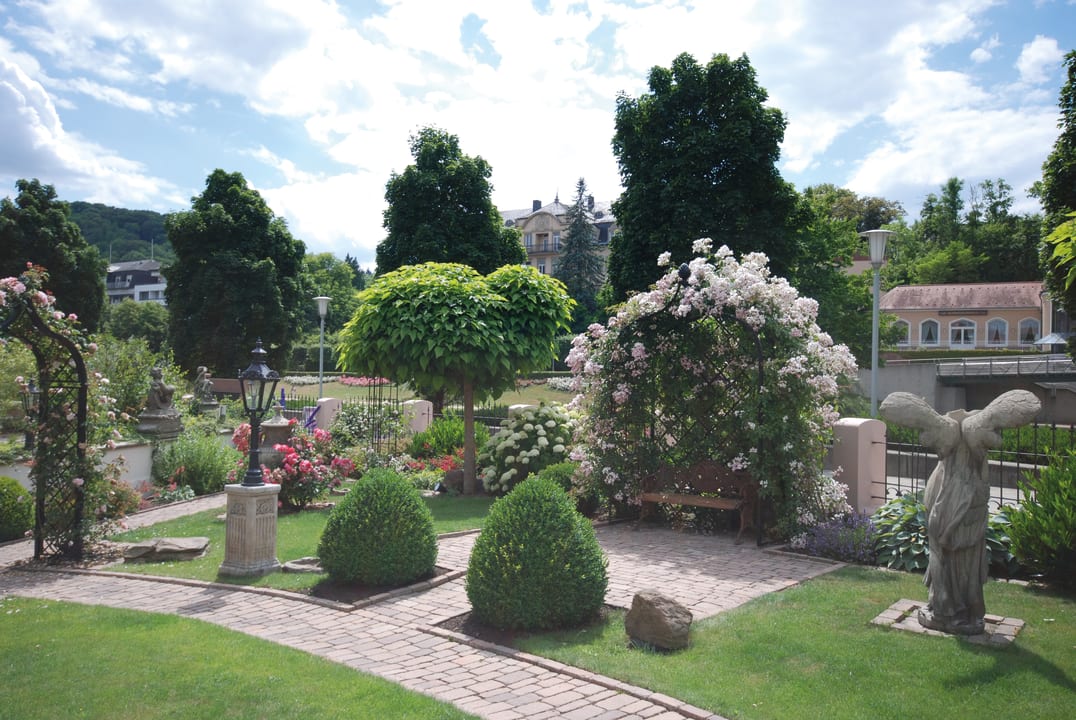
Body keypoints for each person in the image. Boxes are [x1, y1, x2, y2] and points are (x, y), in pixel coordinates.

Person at [879, 390, 1039, 635]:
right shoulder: (958, 443)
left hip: (959, 502)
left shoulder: (967, 446)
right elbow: (892, 405)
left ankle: (952, 610)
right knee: (947, 552)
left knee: (952, 552)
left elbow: (1028, 405)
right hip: (952, 496)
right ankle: (949, 607)